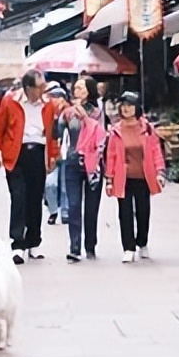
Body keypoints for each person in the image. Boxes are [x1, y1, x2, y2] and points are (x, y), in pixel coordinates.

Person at [0, 70, 59, 263]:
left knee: (35, 199)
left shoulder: (48, 105)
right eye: (39, 87)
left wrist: (53, 155)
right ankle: (17, 243)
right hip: (16, 152)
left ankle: (34, 241)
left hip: (38, 152)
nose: (43, 90)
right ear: (29, 88)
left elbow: (52, 132)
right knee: (18, 197)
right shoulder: (11, 101)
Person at [103, 91, 166, 263]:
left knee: (143, 211)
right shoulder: (115, 130)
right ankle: (128, 247)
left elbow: (155, 151)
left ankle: (142, 242)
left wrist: (160, 171)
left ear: (137, 107)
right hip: (123, 177)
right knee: (125, 213)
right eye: (124, 106)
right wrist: (109, 178)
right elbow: (111, 155)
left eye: (130, 105)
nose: (127, 109)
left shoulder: (147, 129)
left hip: (144, 176)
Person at [58, 76, 106, 262]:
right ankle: (75, 246)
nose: (76, 91)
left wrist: (84, 118)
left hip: (93, 163)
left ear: (89, 91)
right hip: (72, 161)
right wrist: (61, 116)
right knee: (74, 205)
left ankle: (90, 245)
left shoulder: (98, 112)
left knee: (92, 207)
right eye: (75, 88)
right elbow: (57, 131)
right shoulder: (69, 112)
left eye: (81, 88)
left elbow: (101, 133)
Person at [43, 83, 69, 224]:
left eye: (56, 97)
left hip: (66, 152)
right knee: (50, 184)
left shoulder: (70, 112)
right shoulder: (46, 112)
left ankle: (65, 212)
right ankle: (53, 211)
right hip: (51, 152)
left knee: (65, 186)